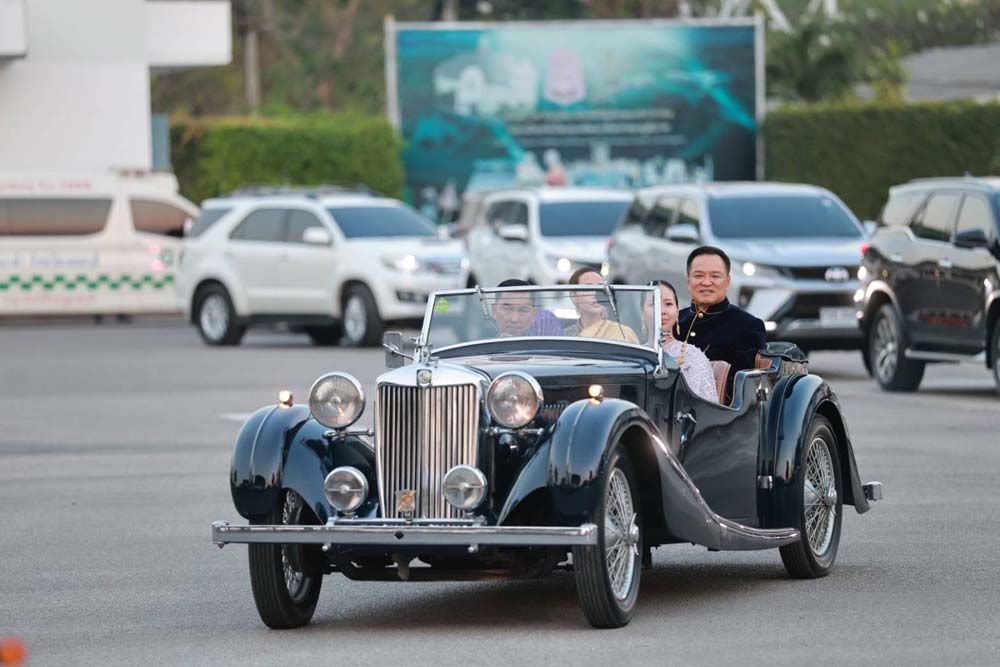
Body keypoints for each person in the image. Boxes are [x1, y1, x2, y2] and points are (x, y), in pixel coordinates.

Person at [676, 246, 766, 376]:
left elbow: (745, 383)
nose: (706, 282)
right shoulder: (675, 321)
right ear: (688, 280)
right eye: (699, 275)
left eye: (715, 276)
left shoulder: (748, 325)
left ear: (727, 281)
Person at [643, 280, 718, 403]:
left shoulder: (693, 357)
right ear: (642, 313)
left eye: (668, 304)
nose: (662, 311)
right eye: (654, 303)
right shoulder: (636, 356)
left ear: (677, 312)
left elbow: (704, 407)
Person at [563, 267, 639, 343]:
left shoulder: (623, 333)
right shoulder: (565, 336)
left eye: (600, 288)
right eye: (588, 288)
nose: (596, 294)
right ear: (573, 296)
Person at [496, 279, 562, 336]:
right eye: (507, 309)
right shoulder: (488, 340)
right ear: (494, 311)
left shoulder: (546, 324)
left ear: (533, 314)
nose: (514, 319)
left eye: (523, 310)